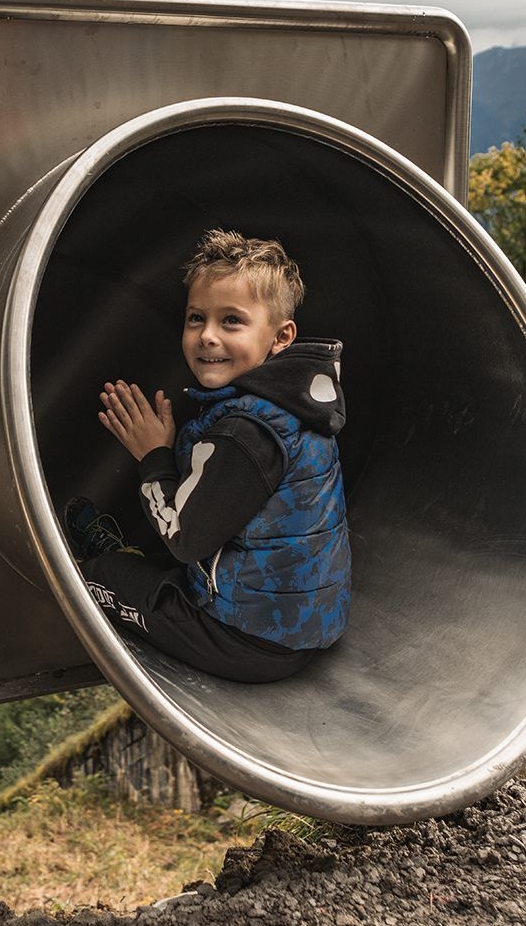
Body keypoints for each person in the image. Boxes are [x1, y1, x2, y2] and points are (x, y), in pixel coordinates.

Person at [63, 228, 350, 683]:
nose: (207, 336)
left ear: (281, 336)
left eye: (231, 321)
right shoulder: (291, 404)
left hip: (246, 643)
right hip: (298, 626)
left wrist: (152, 453)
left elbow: (187, 541)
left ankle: (112, 562)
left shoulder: (246, 432)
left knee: (83, 579)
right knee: (157, 568)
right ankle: (135, 564)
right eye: (196, 318)